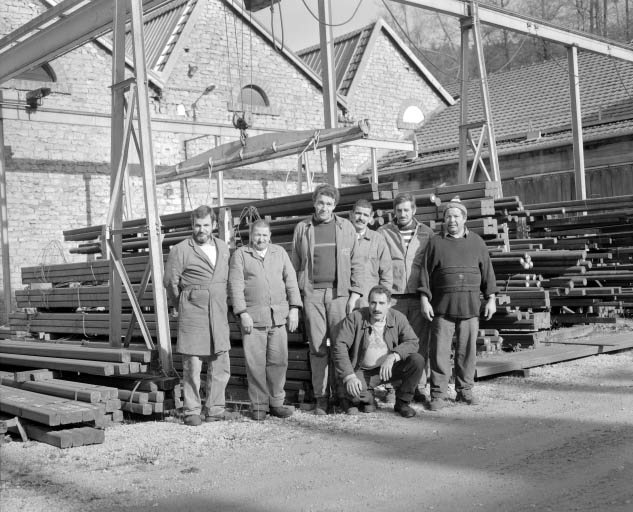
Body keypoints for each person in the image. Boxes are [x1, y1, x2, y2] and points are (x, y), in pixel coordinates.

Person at [419, 197, 498, 411]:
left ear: (464, 218)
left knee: (467, 352)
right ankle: (438, 394)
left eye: (456, 216)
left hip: (470, 307)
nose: (452, 220)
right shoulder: (435, 242)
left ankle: (465, 391)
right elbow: (425, 273)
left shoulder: (477, 242)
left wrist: (491, 298)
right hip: (442, 308)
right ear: (443, 220)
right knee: (439, 353)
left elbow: (487, 273)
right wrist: (425, 298)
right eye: (448, 216)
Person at [291, 183, 363, 415]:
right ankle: (322, 397)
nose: (324, 207)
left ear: (335, 206)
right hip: (312, 294)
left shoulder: (346, 227)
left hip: (339, 295)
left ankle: (343, 396)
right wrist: (297, 298)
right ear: (314, 203)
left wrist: (354, 295)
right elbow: (295, 264)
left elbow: (357, 263)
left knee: (341, 345)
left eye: (329, 204)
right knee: (318, 347)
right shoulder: (302, 228)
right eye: (321, 202)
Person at [163, 205, 239, 426]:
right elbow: (170, 282)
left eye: (206, 225)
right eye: (197, 225)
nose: (201, 229)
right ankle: (192, 411)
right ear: (192, 226)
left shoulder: (223, 247)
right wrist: (184, 303)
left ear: (214, 225)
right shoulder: (181, 249)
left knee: (220, 361)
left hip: (218, 309)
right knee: (193, 365)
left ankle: (215, 409)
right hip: (193, 312)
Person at [228, 219, 303, 421]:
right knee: (256, 364)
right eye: (257, 235)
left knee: (279, 362)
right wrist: (242, 313)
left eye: (264, 235)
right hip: (253, 319)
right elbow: (235, 286)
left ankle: (276, 403)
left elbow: (291, 281)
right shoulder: (241, 255)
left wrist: (294, 308)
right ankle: (259, 406)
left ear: (270, 236)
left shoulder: (279, 253)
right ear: (250, 235)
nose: (260, 239)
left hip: (278, 317)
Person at [333, 285, 424, 418]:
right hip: (362, 370)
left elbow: (413, 341)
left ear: (389, 304)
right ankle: (368, 397)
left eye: (381, 303)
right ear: (368, 303)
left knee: (417, 360)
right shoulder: (355, 318)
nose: (377, 308)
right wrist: (349, 376)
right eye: (373, 303)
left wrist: (393, 356)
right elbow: (339, 346)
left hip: (389, 369)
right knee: (353, 392)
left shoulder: (398, 318)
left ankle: (402, 403)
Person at [378, 192, 434, 402]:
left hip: (419, 297)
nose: (402, 214)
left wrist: (427, 295)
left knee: (419, 343)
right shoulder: (383, 233)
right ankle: (394, 387)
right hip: (393, 298)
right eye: (399, 210)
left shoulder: (426, 234)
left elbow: (430, 267)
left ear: (414, 210)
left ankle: (418, 386)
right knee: (392, 342)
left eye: (406, 210)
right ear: (394, 211)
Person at [349, 199, 392, 306]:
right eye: (358, 213)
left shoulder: (378, 240)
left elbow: (386, 274)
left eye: (365, 215)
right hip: (344, 298)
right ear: (351, 215)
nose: (361, 218)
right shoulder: (342, 238)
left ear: (371, 217)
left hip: (369, 301)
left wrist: (382, 301)